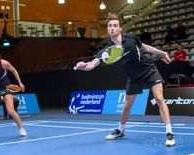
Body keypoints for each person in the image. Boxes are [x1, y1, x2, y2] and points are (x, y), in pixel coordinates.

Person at [74, 13, 175, 147]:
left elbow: (145, 47)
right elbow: (92, 64)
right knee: (127, 106)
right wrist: (83, 66)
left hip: (148, 70)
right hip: (133, 77)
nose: (112, 28)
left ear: (120, 28)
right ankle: (121, 130)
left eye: (115, 26)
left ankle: (169, 132)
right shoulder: (107, 50)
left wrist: (162, 53)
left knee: (159, 98)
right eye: (110, 26)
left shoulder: (131, 39)